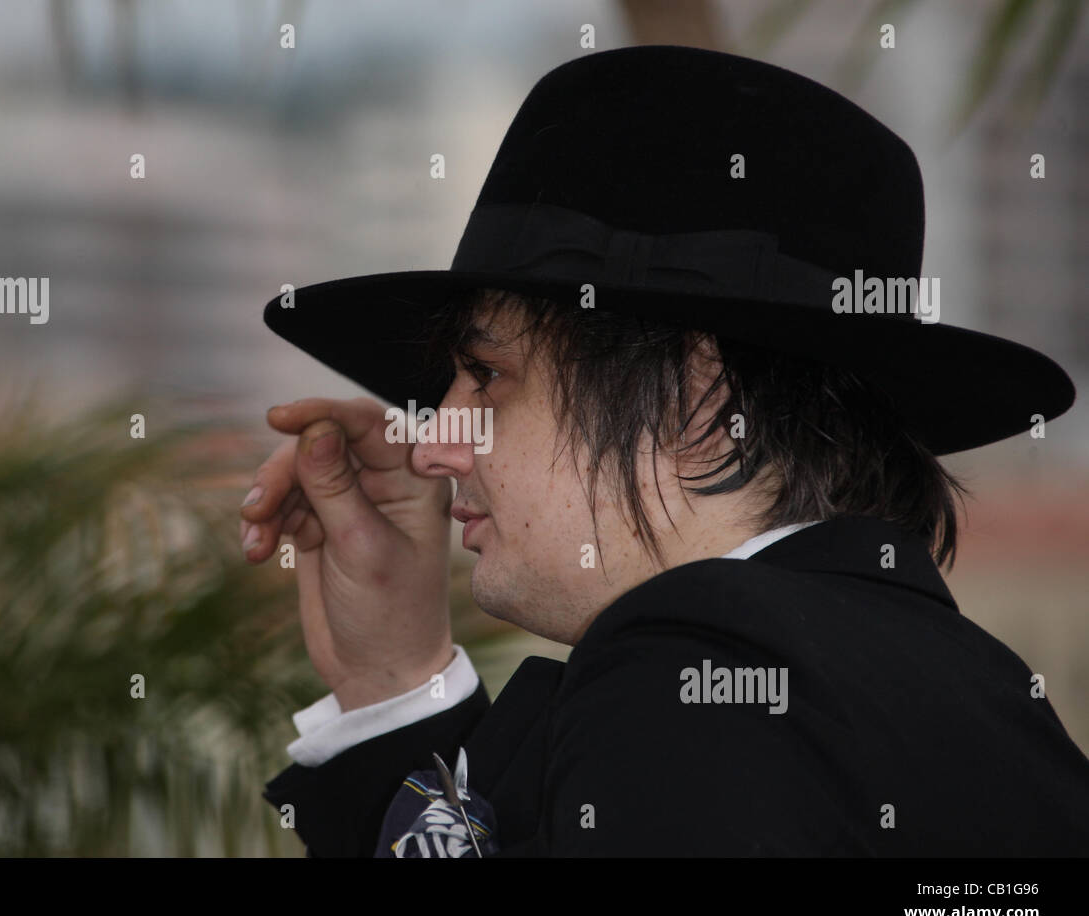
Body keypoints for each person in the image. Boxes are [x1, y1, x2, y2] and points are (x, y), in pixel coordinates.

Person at [241, 46, 1087, 856]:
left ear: (700, 397)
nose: (434, 443)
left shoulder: (689, 678)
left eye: (485, 372)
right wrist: (397, 680)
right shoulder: (986, 695)